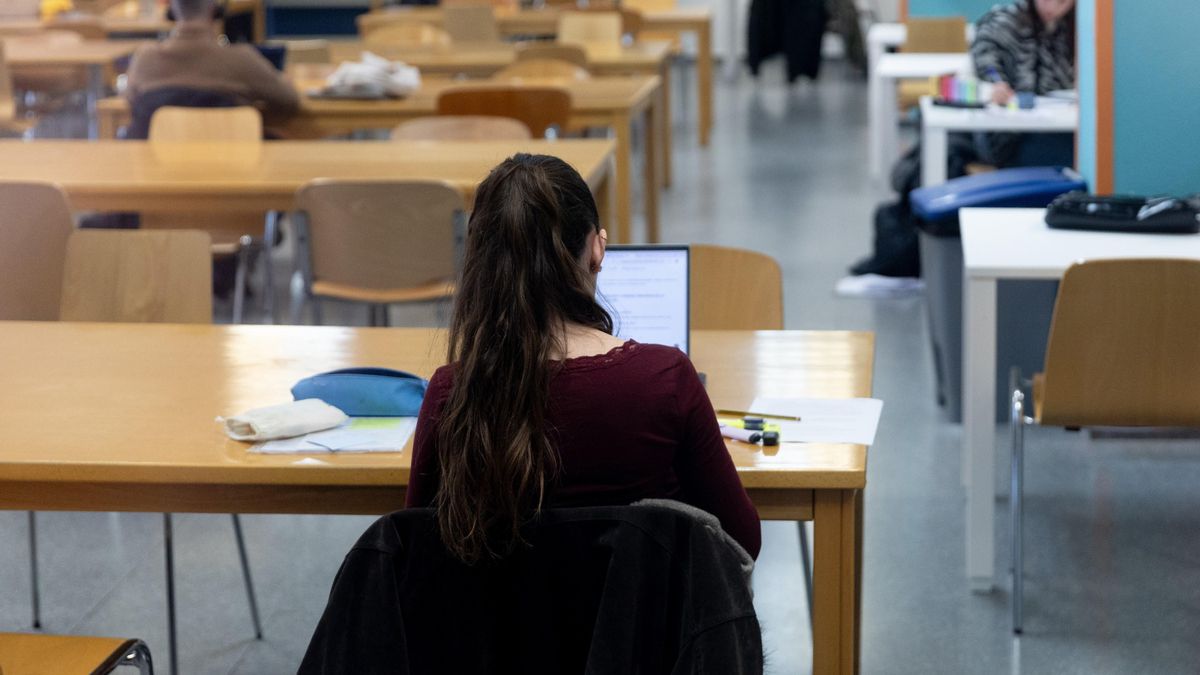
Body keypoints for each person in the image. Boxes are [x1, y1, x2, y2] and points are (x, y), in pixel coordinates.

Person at [407, 154, 762, 563]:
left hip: (503, 628)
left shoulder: (453, 391)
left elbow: (417, 545)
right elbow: (742, 540)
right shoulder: (665, 380)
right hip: (642, 627)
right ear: (597, 250)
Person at [124, 0, 299, 124]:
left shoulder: (145, 60)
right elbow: (289, 100)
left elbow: (130, 103)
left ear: (172, 11)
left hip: (160, 172)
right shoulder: (242, 60)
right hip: (234, 168)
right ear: (215, 10)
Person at [971, 0, 1076, 166]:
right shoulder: (1004, 22)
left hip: (1055, 126)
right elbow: (985, 60)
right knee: (1079, 158)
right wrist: (997, 83)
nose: (1051, 7)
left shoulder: (1070, 29)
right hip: (1009, 136)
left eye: (1062, 2)